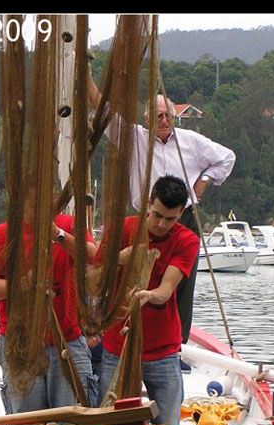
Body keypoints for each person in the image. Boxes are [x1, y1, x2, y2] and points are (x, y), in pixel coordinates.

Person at [89, 84, 236, 355]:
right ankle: (125, 339)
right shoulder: (134, 138)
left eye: (168, 115)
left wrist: (204, 181)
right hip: (145, 218)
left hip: (183, 218)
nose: (165, 120)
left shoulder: (191, 141)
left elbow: (227, 158)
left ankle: (176, 347)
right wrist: (86, 78)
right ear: (147, 119)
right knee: (134, 277)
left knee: (181, 286)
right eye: (158, 116)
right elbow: (105, 110)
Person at [96, 175, 198, 425]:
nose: (162, 224)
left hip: (162, 351)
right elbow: (94, 278)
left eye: (170, 219)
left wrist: (150, 296)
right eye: (157, 215)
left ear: (181, 213)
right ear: (147, 205)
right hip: (116, 347)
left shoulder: (187, 241)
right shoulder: (121, 229)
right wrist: (122, 258)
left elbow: (166, 289)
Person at [0, 203, 98, 414]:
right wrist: (23, 284)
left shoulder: (70, 225)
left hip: (67, 341)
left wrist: (58, 235)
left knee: (75, 421)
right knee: (27, 422)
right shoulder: (1, 234)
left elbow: (93, 256)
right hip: (20, 345)